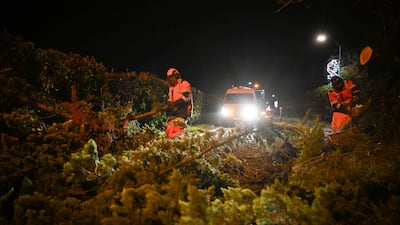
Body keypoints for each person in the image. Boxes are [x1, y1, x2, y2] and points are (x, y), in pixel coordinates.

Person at [164, 67, 192, 139]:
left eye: (171, 77)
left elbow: (185, 98)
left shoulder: (184, 84)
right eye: (168, 78)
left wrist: (174, 104)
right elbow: (170, 99)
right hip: (173, 113)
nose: (170, 80)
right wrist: (168, 105)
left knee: (177, 132)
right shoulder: (171, 88)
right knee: (168, 131)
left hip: (182, 112)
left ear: (176, 76)